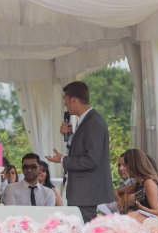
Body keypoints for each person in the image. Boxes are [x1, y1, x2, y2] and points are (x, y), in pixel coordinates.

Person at [45, 81, 113, 223]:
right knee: (78, 227)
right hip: (82, 191)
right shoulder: (87, 120)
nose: (65, 104)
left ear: (73, 100)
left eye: (65, 100)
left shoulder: (93, 122)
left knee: (85, 228)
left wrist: (63, 159)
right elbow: (84, 149)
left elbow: (92, 159)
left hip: (86, 192)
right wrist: (71, 136)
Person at [114, 149, 158, 222]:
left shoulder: (148, 182)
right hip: (145, 220)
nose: (126, 169)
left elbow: (157, 213)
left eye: (126, 165)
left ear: (132, 165)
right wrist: (119, 199)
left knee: (129, 216)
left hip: (155, 222)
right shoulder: (139, 183)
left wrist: (139, 206)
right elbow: (116, 191)